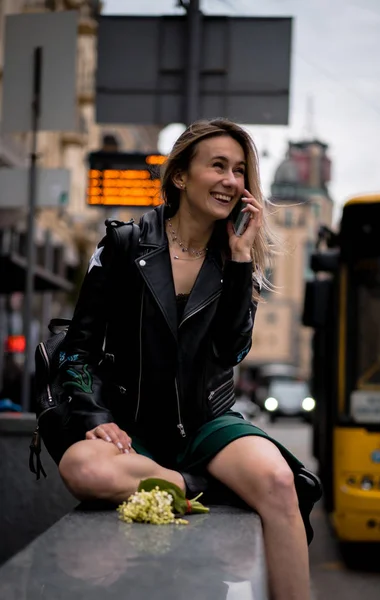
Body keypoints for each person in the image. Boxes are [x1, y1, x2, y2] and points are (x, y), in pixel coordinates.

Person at [56, 119, 320, 600]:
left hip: (206, 424)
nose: (231, 180)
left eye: (239, 170)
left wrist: (241, 261)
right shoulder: (124, 245)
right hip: (130, 423)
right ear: (180, 176)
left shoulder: (237, 260)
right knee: (83, 469)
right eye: (217, 166)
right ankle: (201, 484)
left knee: (281, 483)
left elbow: (231, 351)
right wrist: (95, 417)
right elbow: (79, 348)